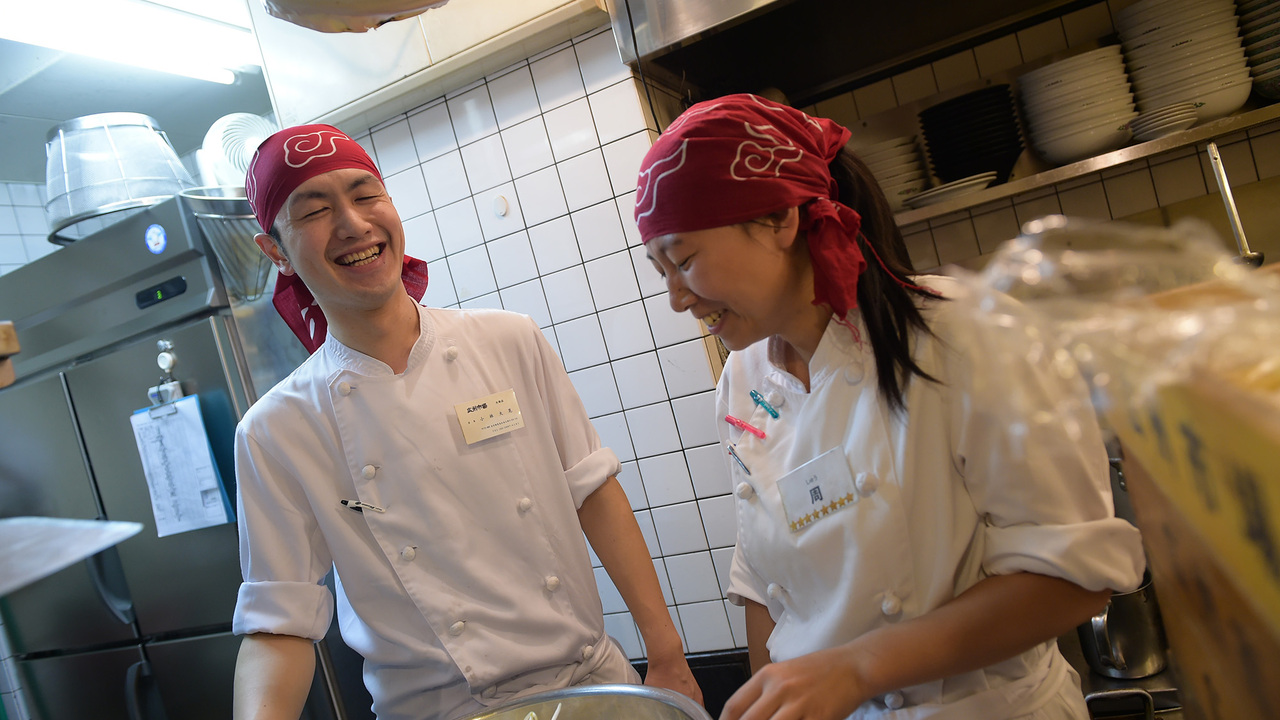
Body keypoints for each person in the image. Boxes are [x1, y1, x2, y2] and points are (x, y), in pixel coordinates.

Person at [635, 94, 1146, 720]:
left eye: (684, 260)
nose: (677, 299)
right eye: (661, 270)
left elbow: (1072, 577)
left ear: (779, 221)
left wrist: (858, 668)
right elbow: (767, 591)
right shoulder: (744, 378)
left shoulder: (969, 335)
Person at [232, 124, 702, 720]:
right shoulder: (277, 430)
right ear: (274, 250)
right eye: (315, 210)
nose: (353, 224)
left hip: (590, 689)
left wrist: (667, 655)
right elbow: (279, 623)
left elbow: (595, 494)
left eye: (365, 194)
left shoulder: (508, 340)